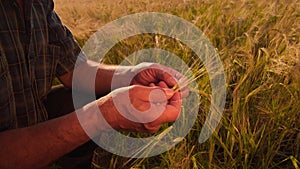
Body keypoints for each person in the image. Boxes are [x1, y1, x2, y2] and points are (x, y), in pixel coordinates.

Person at [0, 0, 187, 168]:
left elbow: (74, 69)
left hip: (34, 119)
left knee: (80, 99)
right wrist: (103, 116)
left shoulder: (39, 4)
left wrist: (131, 75)